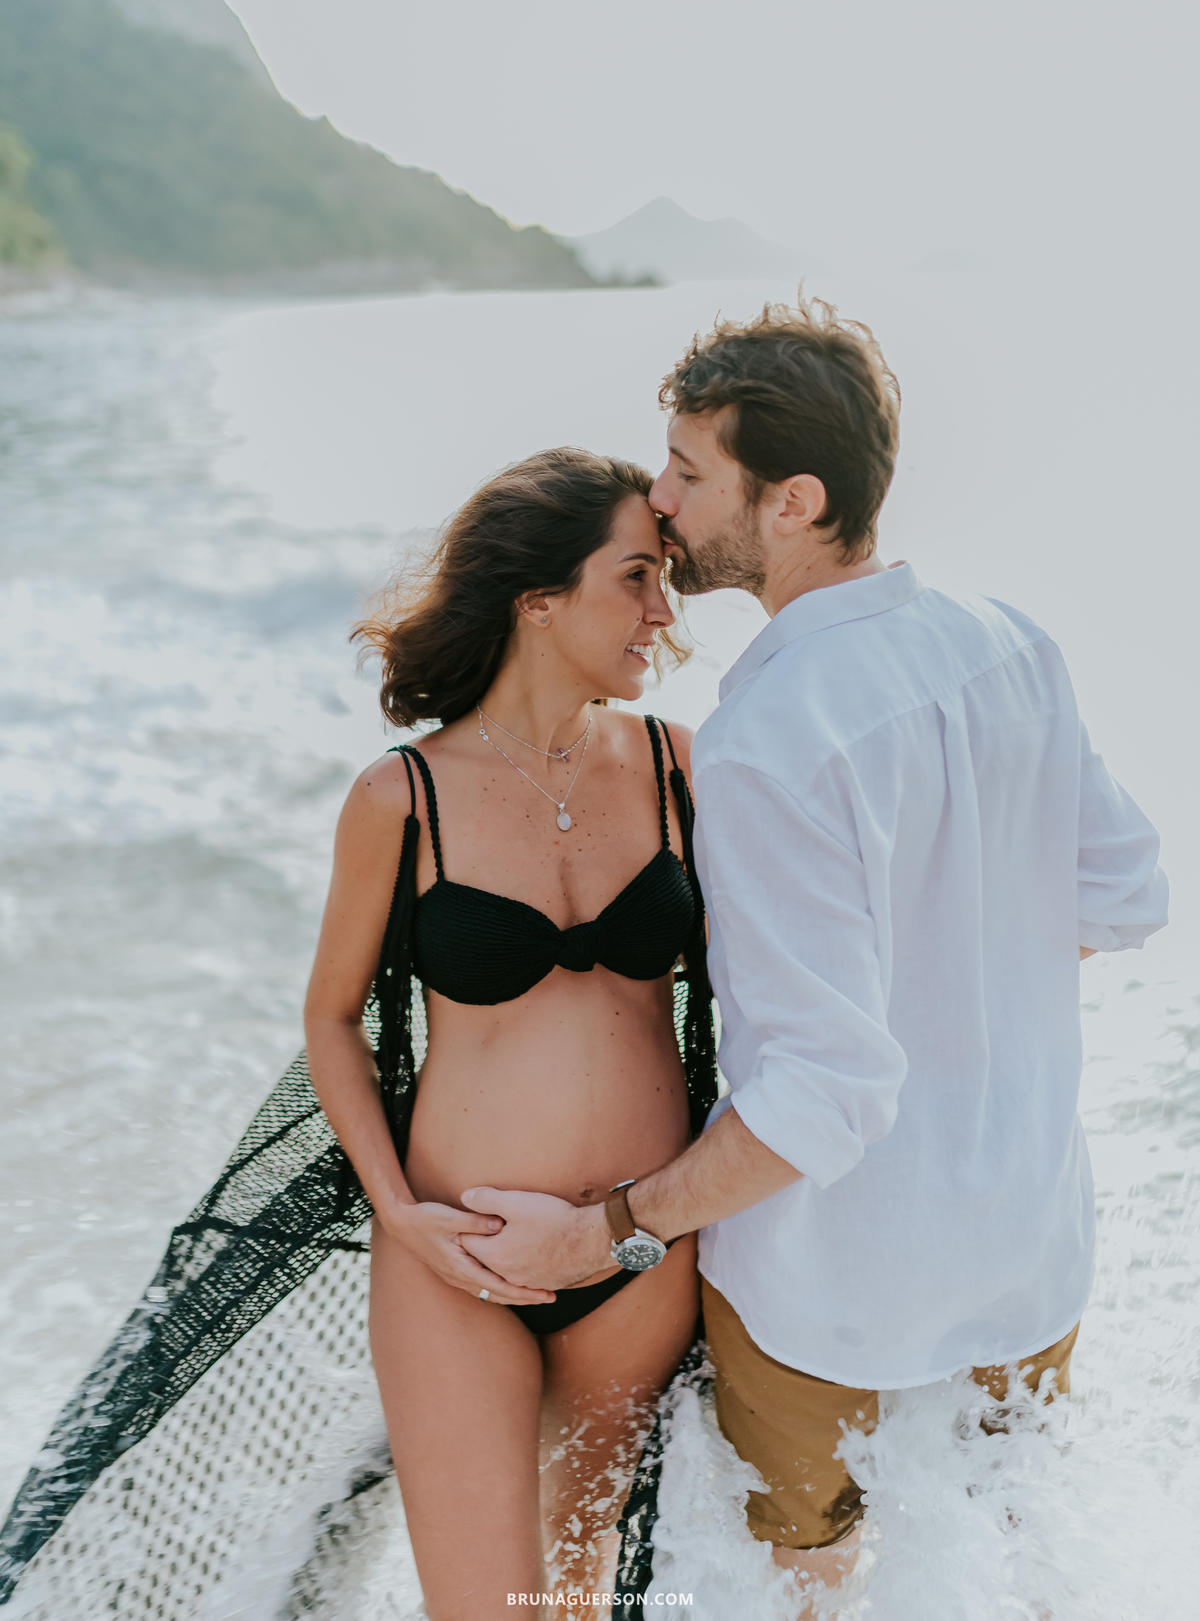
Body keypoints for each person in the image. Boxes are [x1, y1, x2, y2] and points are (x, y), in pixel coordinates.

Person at [464, 297, 1169, 1609]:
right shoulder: (1011, 641)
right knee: (1022, 1569)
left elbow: (825, 1097)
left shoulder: (768, 735)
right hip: (1027, 1239)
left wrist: (604, 1234)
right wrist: (963, 964)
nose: (659, 501)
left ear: (792, 503)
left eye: (689, 473)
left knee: (808, 1586)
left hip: (836, 1283)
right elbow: (1129, 894)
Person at [304, 447, 716, 1619]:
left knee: (580, 1602)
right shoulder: (403, 799)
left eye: (664, 578)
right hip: (461, 1260)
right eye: (635, 577)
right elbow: (330, 1018)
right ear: (539, 598)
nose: (662, 611)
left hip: (636, 1256)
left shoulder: (679, 768)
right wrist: (398, 1211)